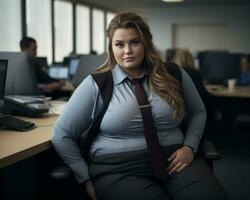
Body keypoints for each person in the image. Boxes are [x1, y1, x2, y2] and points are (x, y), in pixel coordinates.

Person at [52, 13, 230, 200]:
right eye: (119, 44)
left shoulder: (174, 74)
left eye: (135, 42)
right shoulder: (96, 84)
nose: (127, 50)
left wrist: (189, 147)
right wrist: (85, 178)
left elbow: (198, 112)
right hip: (118, 169)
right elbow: (62, 134)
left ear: (146, 43)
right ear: (111, 48)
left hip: (176, 161)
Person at [172, 48, 213, 133]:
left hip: (180, 112)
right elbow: (204, 93)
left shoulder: (174, 73)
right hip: (196, 110)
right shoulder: (196, 72)